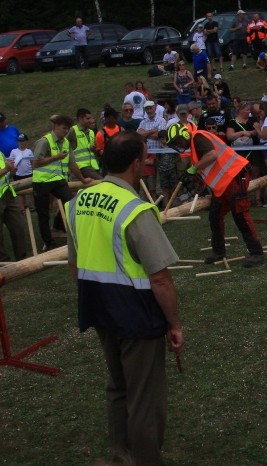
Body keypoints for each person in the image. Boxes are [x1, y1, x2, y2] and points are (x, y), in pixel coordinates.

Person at [66, 131, 183, 464]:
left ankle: (121, 454)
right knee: (145, 398)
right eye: (145, 156)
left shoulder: (77, 203)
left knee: (118, 387)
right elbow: (159, 278)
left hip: (98, 307)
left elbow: (74, 266)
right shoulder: (135, 208)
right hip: (136, 314)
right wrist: (174, 324)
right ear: (136, 163)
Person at [165, 123, 264, 266]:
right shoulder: (194, 147)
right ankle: (218, 251)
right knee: (215, 215)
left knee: (240, 214)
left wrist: (193, 169)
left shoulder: (198, 137)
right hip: (224, 184)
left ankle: (256, 252)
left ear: (185, 134)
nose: (178, 145)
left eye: (178, 141)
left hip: (236, 175)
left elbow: (212, 155)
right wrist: (193, 176)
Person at [32, 115, 93, 250]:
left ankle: (77, 235)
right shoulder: (44, 142)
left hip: (59, 181)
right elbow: (35, 163)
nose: (66, 132)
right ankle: (49, 243)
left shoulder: (66, 143)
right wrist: (56, 157)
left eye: (68, 129)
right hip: (41, 182)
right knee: (43, 213)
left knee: (72, 204)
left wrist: (83, 179)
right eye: (64, 128)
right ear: (55, 127)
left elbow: (72, 164)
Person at [0, 146, 26, 261]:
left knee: (18, 226)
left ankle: (22, 259)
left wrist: (10, 171)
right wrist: (6, 169)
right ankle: (4, 262)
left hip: (7, 193)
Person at [68, 108, 102, 180]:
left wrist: (94, 149)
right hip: (81, 167)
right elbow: (62, 142)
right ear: (80, 119)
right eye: (88, 118)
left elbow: (92, 150)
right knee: (102, 182)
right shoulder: (72, 131)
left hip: (94, 166)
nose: (90, 120)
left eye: (91, 118)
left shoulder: (91, 132)